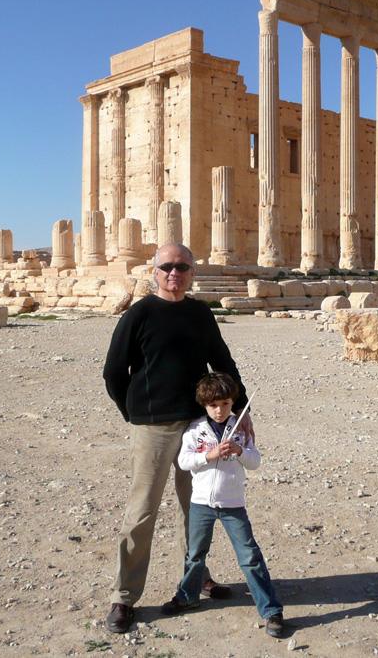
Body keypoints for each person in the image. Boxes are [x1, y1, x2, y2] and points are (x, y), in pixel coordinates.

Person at [102, 243, 251, 634]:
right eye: (167, 266)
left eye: (182, 266)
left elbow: (223, 363)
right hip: (152, 426)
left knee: (200, 508)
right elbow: (114, 372)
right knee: (142, 511)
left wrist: (241, 411)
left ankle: (197, 578)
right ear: (155, 271)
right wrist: (133, 413)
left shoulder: (200, 313)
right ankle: (124, 596)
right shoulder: (139, 314)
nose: (174, 273)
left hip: (196, 426)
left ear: (192, 272)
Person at [161, 372, 285, 638]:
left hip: (233, 504)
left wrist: (240, 453)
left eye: (226, 404)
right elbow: (184, 462)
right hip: (201, 504)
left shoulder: (240, 428)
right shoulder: (195, 430)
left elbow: (255, 461)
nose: (220, 410)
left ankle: (271, 610)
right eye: (214, 405)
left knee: (250, 557)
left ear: (233, 403)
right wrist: (210, 455)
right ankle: (187, 596)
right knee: (195, 554)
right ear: (205, 405)